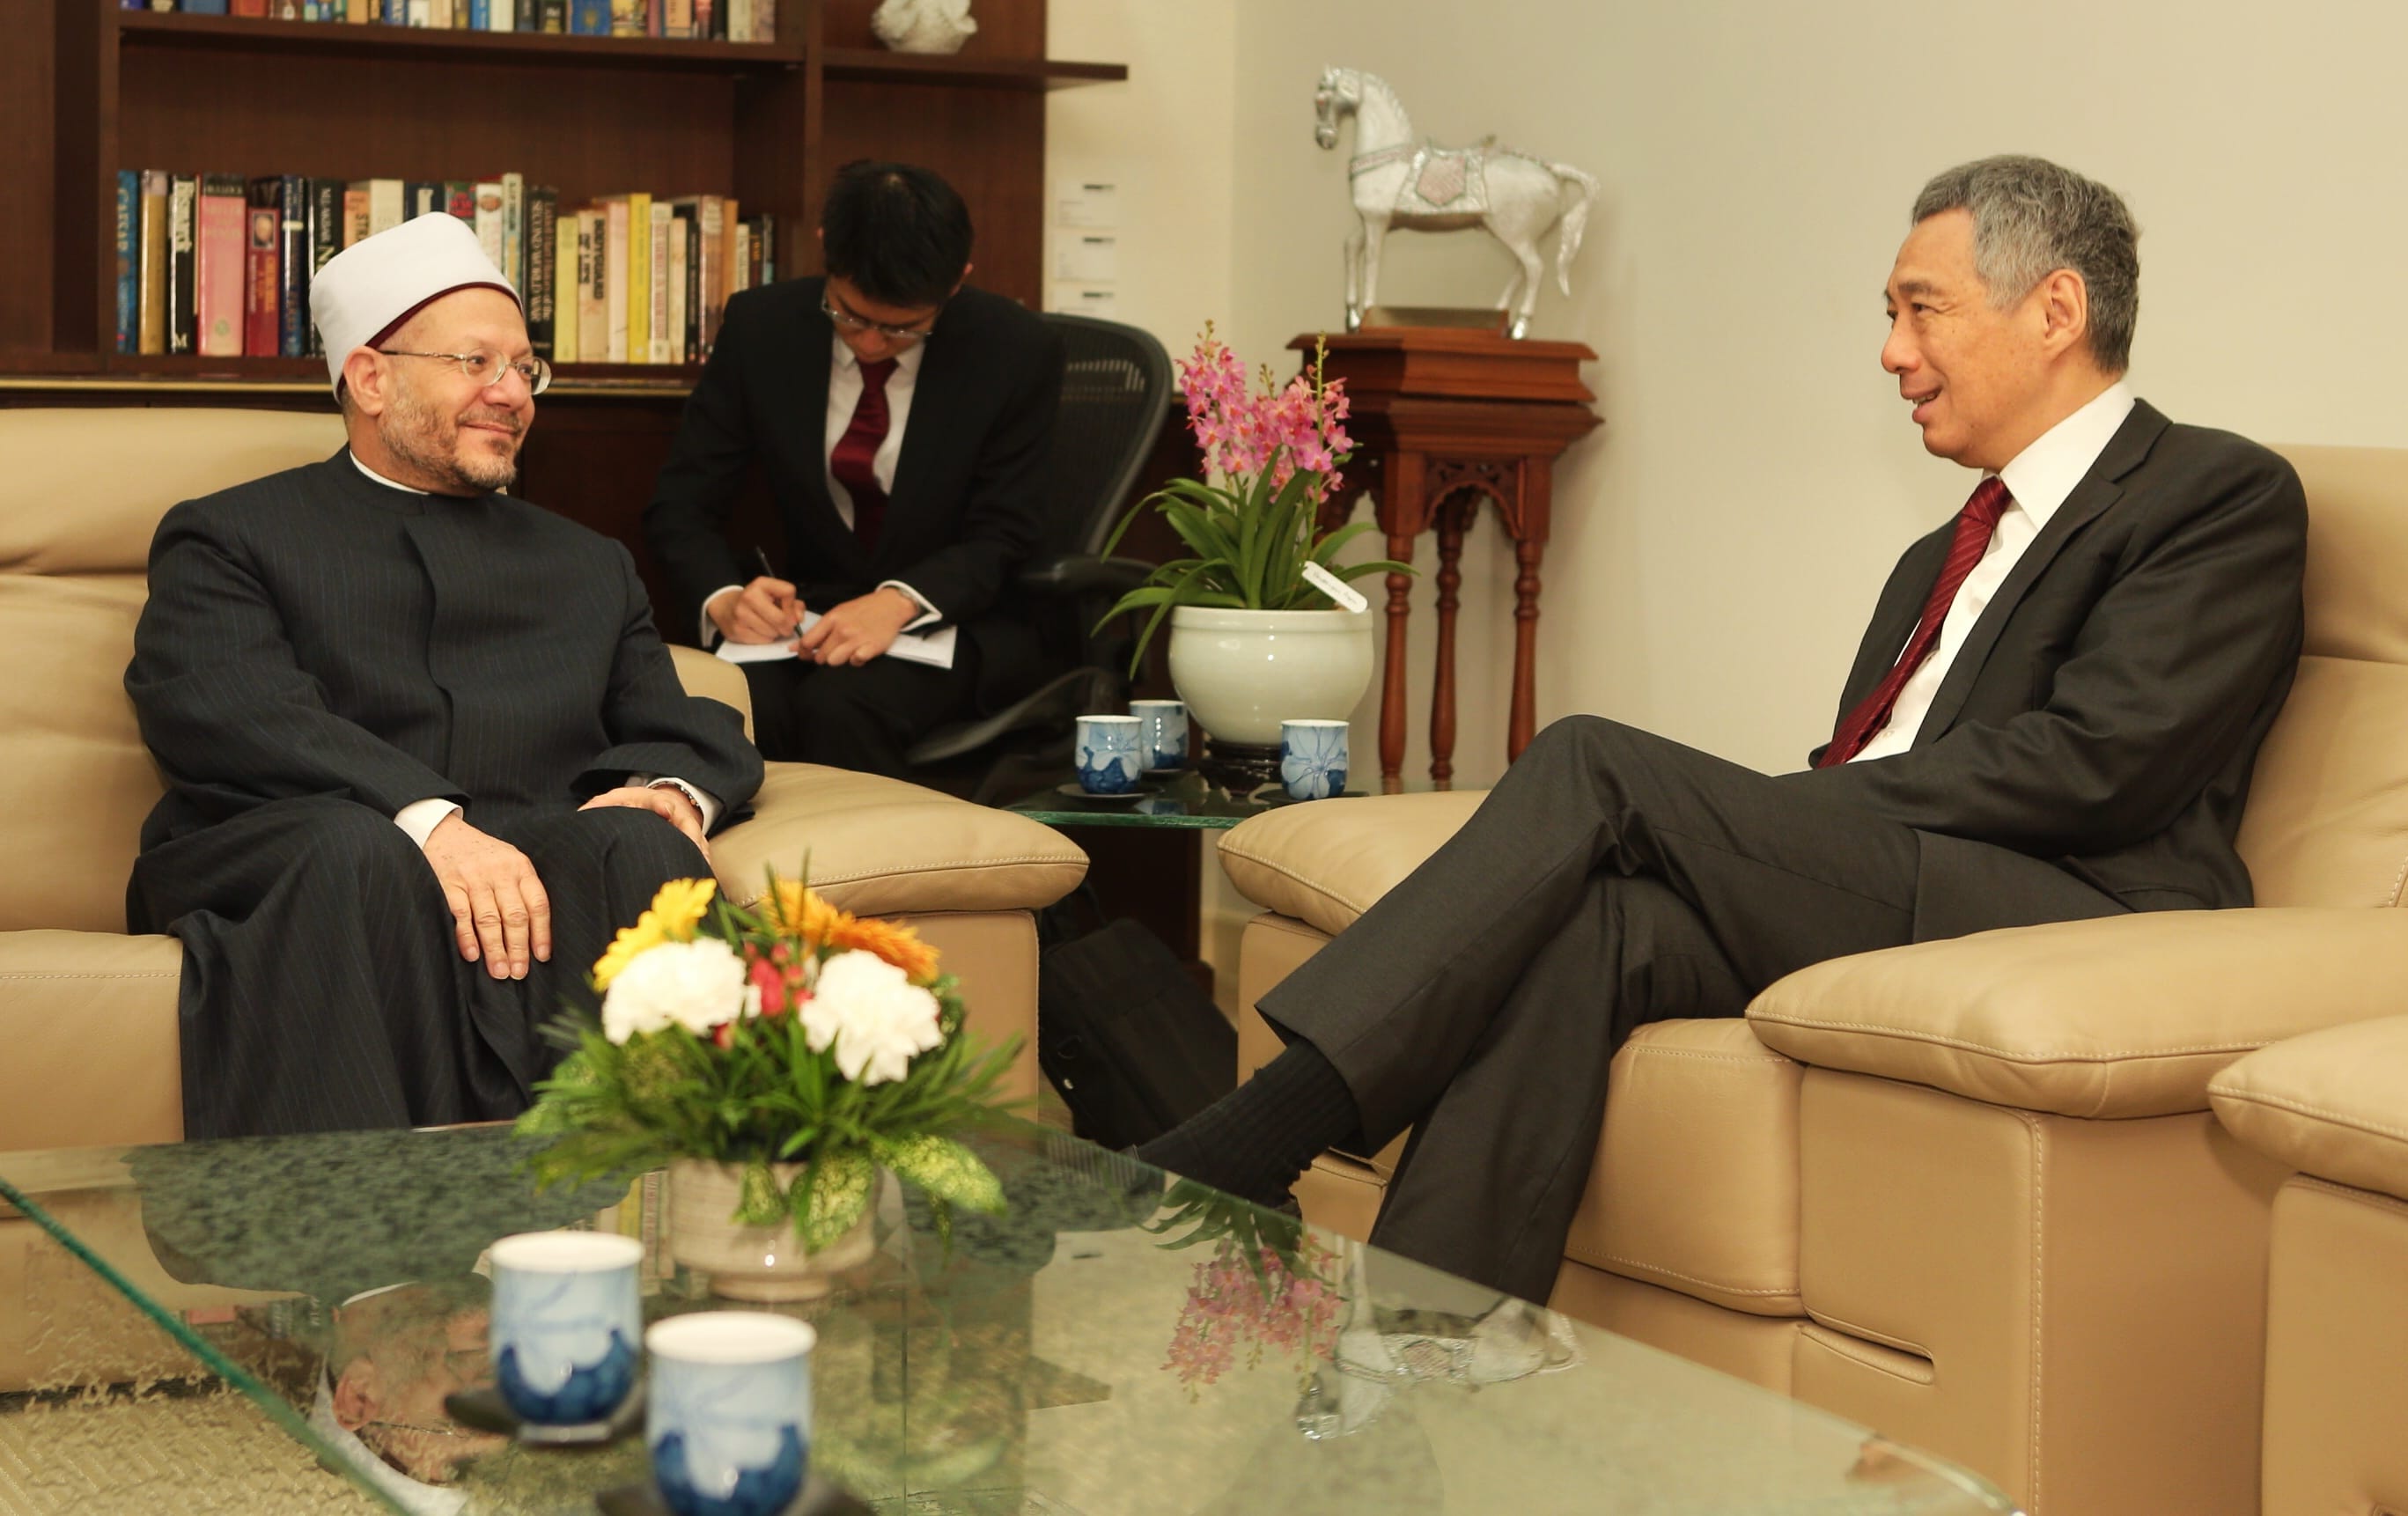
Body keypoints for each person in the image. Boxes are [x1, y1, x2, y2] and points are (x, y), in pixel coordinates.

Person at [1138, 156, 2309, 1305]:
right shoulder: (1937, 553)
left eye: (1920, 310)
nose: (1891, 351)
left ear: (2054, 308)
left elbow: (2100, 764)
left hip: (2069, 912)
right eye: (1888, 315)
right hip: (1909, 882)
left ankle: (1258, 1132)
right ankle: (1419, 1347)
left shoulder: (2210, 493)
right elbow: (1874, 776)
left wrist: (1759, 817)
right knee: (1600, 920)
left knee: (1594, 762)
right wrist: (1758, 824)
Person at [126, 212, 762, 1141]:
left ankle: (674, 1229)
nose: (512, 394)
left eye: (524, 369)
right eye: (477, 364)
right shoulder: (232, 535)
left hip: (526, 858)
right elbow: (230, 709)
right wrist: (427, 820)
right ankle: (356, 1267)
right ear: (371, 378)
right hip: (298, 850)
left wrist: (667, 794)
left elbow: (673, 718)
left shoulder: (587, 563)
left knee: (641, 849)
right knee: (364, 853)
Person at [643, 159, 1065, 777]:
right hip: (813, 618)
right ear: (825, 253)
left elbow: (1006, 531)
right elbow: (681, 503)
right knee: (738, 703)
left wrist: (898, 601)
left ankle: (878, 876)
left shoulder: (1016, 349)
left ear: (956, 283)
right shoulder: (762, 327)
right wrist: (726, 598)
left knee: (843, 707)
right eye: (849, 315)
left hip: (961, 622)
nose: (868, 344)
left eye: (902, 330)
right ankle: (758, 878)